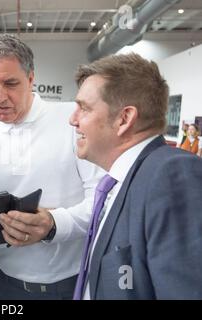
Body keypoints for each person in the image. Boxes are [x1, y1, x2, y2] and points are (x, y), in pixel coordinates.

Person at [0, 34, 103, 300]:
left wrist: (52, 223)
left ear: (31, 79)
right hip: (5, 284)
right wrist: (6, 227)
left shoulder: (72, 121)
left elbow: (103, 199)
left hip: (72, 283)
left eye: (10, 83)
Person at [69, 53, 202, 300]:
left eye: (84, 109)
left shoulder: (172, 175)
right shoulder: (124, 180)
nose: (72, 120)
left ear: (124, 119)